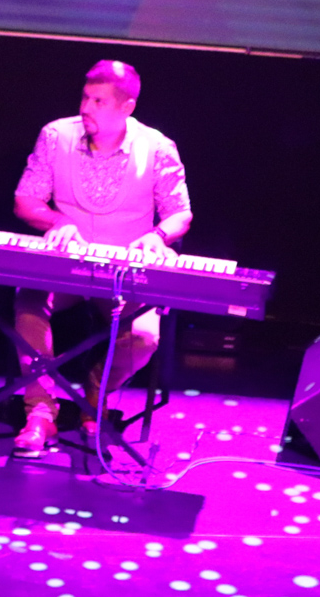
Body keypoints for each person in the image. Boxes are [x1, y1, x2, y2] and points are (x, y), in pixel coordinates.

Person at [10, 60, 192, 453]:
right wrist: (56, 220)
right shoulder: (56, 135)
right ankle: (40, 411)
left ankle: (95, 394)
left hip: (125, 272)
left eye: (98, 101)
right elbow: (25, 200)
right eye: (85, 97)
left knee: (144, 337)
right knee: (29, 304)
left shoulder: (157, 147)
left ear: (127, 107)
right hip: (65, 265)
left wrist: (158, 236)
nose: (86, 108)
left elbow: (180, 213)